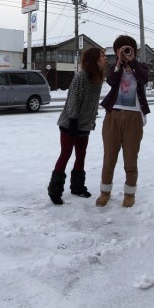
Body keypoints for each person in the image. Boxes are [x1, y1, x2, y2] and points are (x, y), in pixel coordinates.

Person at [47, 47, 107, 205]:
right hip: (70, 123)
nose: (105, 58)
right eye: (102, 55)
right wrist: (73, 120)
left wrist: (91, 118)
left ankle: (77, 186)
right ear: (94, 59)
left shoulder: (98, 77)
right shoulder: (81, 76)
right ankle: (54, 190)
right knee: (66, 154)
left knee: (81, 155)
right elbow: (73, 98)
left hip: (85, 124)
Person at [95, 35, 150, 208]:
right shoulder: (114, 68)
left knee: (130, 159)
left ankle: (129, 193)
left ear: (133, 50)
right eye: (121, 49)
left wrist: (132, 62)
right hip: (113, 115)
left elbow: (143, 79)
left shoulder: (141, 67)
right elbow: (111, 81)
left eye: (127, 48)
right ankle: (105, 192)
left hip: (133, 117)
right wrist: (119, 62)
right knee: (109, 158)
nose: (124, 51)